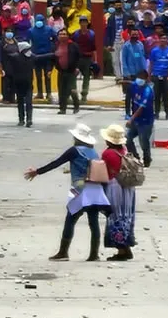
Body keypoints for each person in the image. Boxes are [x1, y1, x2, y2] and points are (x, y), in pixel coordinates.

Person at [23, 124, 111, 262]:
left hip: (80, 189)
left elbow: (56, 163)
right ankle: (94, 254)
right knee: (93, 222)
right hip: (95, 189)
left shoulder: (74, 151)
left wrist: (37, 172)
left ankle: (63, 252)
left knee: (70, 219)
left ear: (77, 138)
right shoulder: (93, 151)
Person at [100, 124, 137, 261]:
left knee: (116, 215)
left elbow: (103, 171)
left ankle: (122, 250)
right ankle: (126, 246)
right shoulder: (124, 149)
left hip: (115, 186)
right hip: (128, 187)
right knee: (126, 215)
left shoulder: (107, 153)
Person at [126, 70, 155, 167]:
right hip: (136, 120)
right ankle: (135, 158)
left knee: (144, 142)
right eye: (139, 78)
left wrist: (131, 119)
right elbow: (131, 83)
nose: (140, 80)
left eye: (142, 78)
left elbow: (141, 108)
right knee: (127, 139)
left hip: (145, 121)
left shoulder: (148, 91)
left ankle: (147, 159)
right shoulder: (135, 85)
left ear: (146, 79)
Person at [9, 41, 40, 127]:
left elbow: (41, 57)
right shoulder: (15, 57)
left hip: (28, 84)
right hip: (18, 84)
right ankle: (21, 119)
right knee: (20, 102)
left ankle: (29, 119)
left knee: (28, 102)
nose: (29, 51)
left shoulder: (32, 57)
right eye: (27, 49)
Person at [121, 28, 147, 119]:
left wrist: (145, 72)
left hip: (139, 74)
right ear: (130, 35)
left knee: (137, 95)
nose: (135, 36)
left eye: (136, 34)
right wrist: (126, 73)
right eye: (133, 34)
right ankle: (127, 113)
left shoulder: (140, 45)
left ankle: (135, 113)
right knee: (129, 95)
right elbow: (123, 60)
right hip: (129, 74)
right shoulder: (126, 46)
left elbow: (142, 58)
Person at [55, 28, 81, 115]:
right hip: (61, 71)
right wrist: (49, 70)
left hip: (71, 71)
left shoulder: (73, 45)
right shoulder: (56, 45)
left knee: (72, 90)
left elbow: (79, 57)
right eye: (61, 34)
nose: (62, 36)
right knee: (62, 91)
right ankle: (62, 108)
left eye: (64, 34)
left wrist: (77, 67)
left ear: (68, 36)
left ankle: (76, 105)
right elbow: (52, 58)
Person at [30, 14, 55, 100]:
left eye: (40, 21)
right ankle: (40, 93)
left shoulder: (49, 29)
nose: (39, 22)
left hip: (47, 56)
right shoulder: (31, 31)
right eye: (38, 21)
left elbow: (56, 38)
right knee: (38, 75)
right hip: (36, 56)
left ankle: (49, 93)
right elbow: (27, 41)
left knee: (47, 75)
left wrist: (52, 48)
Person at [72, 15, 96, 103]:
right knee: (73, 76)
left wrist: (95, 60)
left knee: (86, 77)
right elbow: (73, 47)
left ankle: (84, 94)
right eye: (81, 22)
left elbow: (94, 48)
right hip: (78, 58)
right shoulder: (76, 34)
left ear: (87, 23)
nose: (83, 24)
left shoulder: (91, 34)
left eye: (85, 22)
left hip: (88, 58)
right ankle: (74, 94)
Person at [0, 27, 19, 104]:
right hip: (5, 65)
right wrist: (0, 66)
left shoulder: (15, 42)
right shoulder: (2, 43)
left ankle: (12, 97)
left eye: (11, 31)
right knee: (5, 82)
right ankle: (5, 98)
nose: (9, 33)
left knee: (14, 82)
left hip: (15, 65)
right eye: (8, 31)